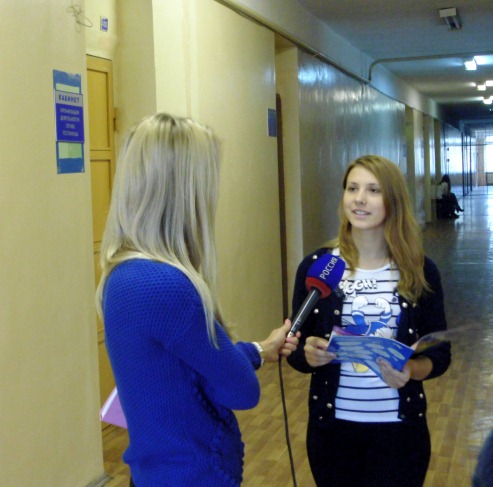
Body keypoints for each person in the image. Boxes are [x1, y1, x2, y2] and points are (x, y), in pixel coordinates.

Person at [95, 112, 299, 487]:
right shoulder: (166, 286)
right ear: (184, 190)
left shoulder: (121, 274)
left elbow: (188, 365)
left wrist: (258, 349)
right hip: (194, 474)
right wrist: (235, 363)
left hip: (152, 473)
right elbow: (241, 390)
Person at [287, 155, 452, 487]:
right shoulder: (318, 266)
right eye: (352, 189)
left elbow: (440, 355)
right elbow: (294, 348)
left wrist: (410, 370)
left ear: (393, 201)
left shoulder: (419, 270)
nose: (359, 199)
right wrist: (308, 353)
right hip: (332, 433)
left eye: (373, 190)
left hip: (399, 434)